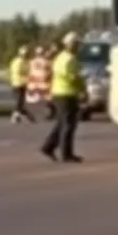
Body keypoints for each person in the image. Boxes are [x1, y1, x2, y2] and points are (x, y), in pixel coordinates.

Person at [41, 32, 84, 163]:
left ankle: (48, 147)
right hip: (67, 94)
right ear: (71, 45)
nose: (78, 47)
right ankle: (66, 154)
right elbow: (72, 77)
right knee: (68, 125)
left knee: (62, 123)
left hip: (58, 93)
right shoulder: (70, 59)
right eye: (77, 44)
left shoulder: (60, 57)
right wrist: (82, 88)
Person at [9, 45, 34, 123]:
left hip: (24, 83)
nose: (26, 55)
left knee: (21, 101)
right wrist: (26, 76)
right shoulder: (17, 62)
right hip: (17, 83)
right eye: (24, 54)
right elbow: (18, 72)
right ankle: (16, 116)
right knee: (19, 101)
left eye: (26, 53)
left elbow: (29, 71)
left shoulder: (27, 62)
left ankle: (21, 114)